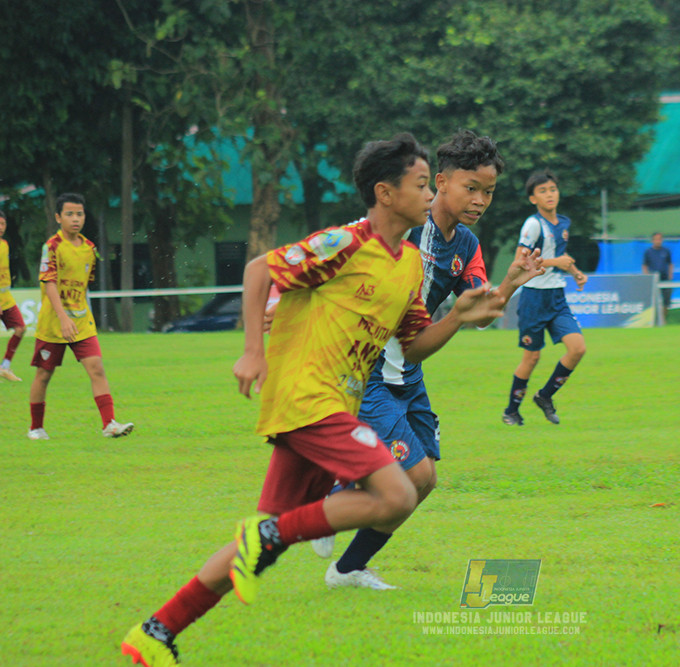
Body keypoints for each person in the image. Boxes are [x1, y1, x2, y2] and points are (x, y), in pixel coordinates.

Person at [121, 133, 507, 667]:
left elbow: (414, 349)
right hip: (308, 397)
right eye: (421, 184)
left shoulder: (411, 265)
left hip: (333, 407)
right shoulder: (348, 242)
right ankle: (271, 534)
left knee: (261, 548)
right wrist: (253, 351)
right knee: (397, 494)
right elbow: (259, 270)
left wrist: (459, 317)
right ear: (385, 193)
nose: (429, 195)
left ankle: (155, 632)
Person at [317, 130, 543, 589]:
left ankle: (347, 569)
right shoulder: (403, 223)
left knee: (424, 483)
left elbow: (478, 313)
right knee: (412, 472)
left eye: (489, 192)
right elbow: (345, 260)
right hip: (366, 370)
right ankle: (327, 496)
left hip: (410, 368)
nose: (480, 200)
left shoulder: (466, 246)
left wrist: (512, 282)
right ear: (440, 181)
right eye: (471, 188)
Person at [27, 193, 133, 440]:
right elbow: (49, 283)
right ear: (58, 217)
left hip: (82, 321)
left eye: (80, 214)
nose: (75, 219)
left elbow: (84, 286)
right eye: (69, 214)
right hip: (54, 323)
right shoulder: (51, 246)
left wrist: (77, 317)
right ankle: (36, 428)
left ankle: (109, 424)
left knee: (97, 368)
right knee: (44, 374)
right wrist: (63, 318)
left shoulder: (89, 248)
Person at [501, 170, 587, 427]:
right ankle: (511, 412)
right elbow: (520, 260)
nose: (549, 194)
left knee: (578, 349)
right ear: (533, 199)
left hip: (557, 298)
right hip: (534, 299)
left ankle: (545, 396)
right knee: (532, 357)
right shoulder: (533, 224)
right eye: (542, 191)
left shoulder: (563, 223)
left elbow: (560, 255)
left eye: (552, 189)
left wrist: (574, 272)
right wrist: (555, 262)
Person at [0, 209, 26, 381]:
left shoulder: (4, 244)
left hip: (5, 297)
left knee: (21, 329)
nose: (1, 227)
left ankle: (5, 366)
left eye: (2, 223)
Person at [642, 231, 673, 324]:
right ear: (652, 240)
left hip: (665, 279)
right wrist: (647, 276)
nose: (658, 241)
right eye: (656, 239)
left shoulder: (666, 251)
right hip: (654, 280)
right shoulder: (648, 252)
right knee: (654, 301)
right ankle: (654, 320)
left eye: (660, 239)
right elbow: (644, 265)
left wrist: (670, 275)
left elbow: (670, 264)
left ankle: (663, 320)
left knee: (666, 302)